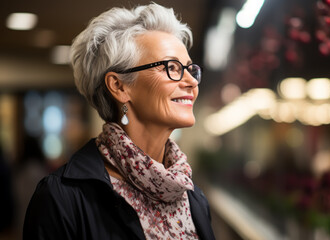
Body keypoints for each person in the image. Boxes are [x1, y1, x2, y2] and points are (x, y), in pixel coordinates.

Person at [23, 3, 215, 240]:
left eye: (189, 69)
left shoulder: (193, 197)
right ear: (119, 86)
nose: (191, 82)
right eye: (172, 67)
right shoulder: (62, 197)